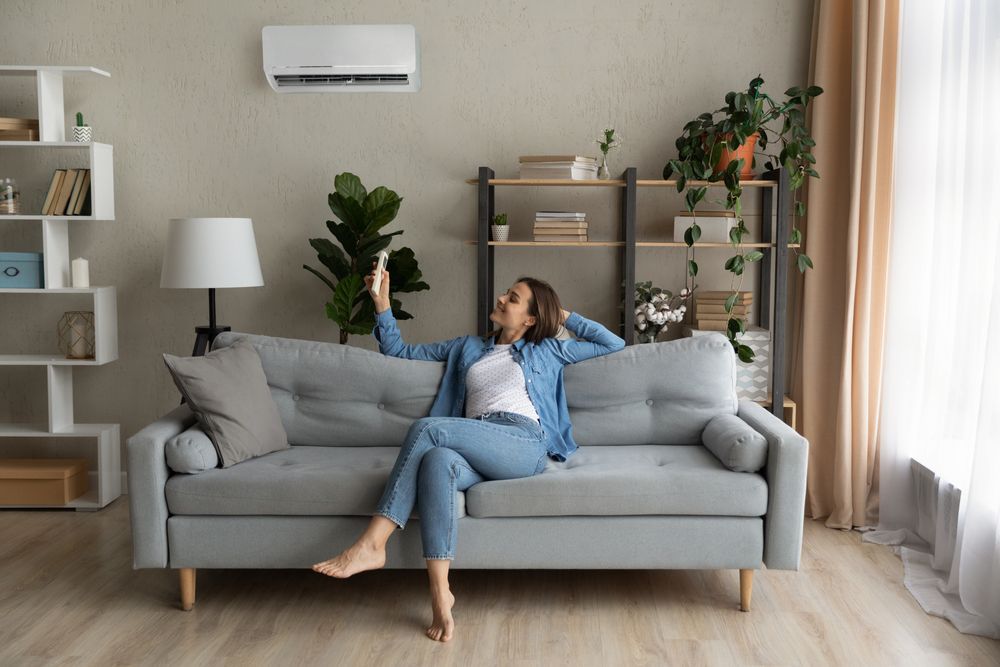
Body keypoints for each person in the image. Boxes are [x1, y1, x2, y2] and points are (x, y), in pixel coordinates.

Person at [312, 261, 625, 642]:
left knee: (429, 429)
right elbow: (398, 350)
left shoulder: (549, 351)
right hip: (475, 438)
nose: (501, 298)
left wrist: (563, 315)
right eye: (506, 293)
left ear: (530, 318)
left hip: (522, 441)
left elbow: (613, 343)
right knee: (438, 460)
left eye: (512, 298)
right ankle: (440, 594)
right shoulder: (467, 347)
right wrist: (381, 304)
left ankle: (372, 544)